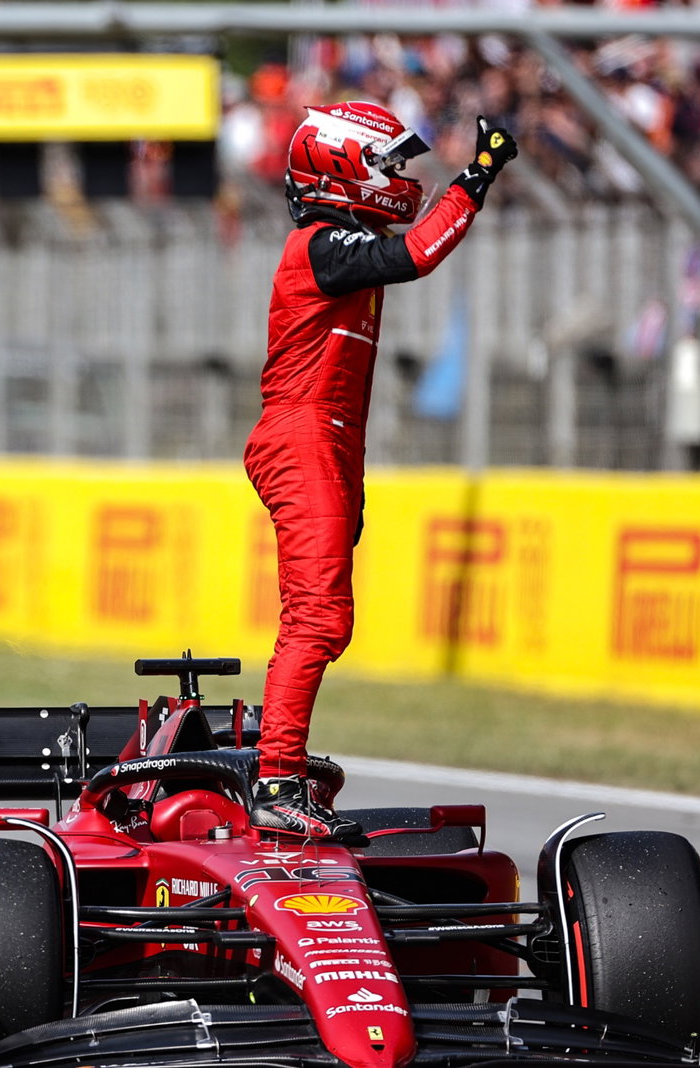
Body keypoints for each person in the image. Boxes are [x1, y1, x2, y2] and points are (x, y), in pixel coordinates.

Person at [243, 102, 517, 840]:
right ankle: (275, 781)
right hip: (303, 433)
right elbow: (420, 253)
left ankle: (279, 766)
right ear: (345, 167)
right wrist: (477, 176)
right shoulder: (319, 248)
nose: (400, 179)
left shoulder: (337, 247)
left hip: (326, 438)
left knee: (324, 618)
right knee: (319, 616)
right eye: (390, 165)